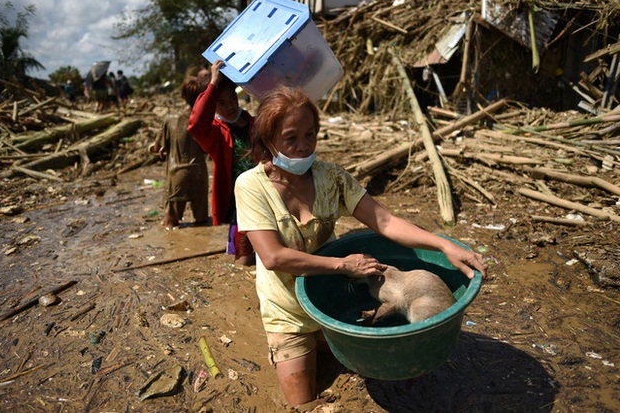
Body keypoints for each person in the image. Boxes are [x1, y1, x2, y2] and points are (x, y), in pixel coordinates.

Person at [234, 86, 489, 409]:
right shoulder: (251, 185)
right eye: (290, 138)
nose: (303, 147)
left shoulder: (330, 178)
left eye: (310, 135)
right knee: (302, 402)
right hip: (287, 309)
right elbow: (273, 257)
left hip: (328, 299)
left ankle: (325, 338)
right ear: (268, 141)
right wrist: (345, 266)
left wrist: (443, 245)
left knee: (383, 362)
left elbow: (383, 221)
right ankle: (301, 342)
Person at [187, 59, 256, 265]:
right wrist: (213, 84)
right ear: (213, 105)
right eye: (221, 103)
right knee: (244, 259)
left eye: (232, 99)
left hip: (265, 193)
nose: (230, 107)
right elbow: (197, 124)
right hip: (238, 202)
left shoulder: (255, 123)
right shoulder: (216, 134)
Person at [149, 77, 209, 230]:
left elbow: (157, 147)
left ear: (182, 96)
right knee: (202, 222)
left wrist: (154, 149)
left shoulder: (171, 119)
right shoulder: (204, 118)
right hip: (199, 173)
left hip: (177, 174)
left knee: (170, 224)